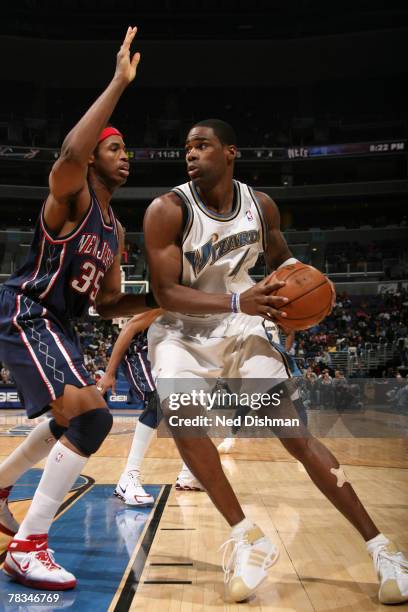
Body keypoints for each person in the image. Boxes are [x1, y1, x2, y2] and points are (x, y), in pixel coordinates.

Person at [143, 118, 408, 604]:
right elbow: (165, 292)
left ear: (231, 152)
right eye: (187, 148)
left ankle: (383, 548)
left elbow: (281, 259)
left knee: (296, 436)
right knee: (183, 416)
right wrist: (238, 303)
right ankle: (247, 536)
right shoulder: (167, 209)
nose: (191, 154)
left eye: (202, 146)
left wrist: (306, 286)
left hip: (245, 326)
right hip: (183, 329)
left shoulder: (260, 206)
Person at [0, 27, 156, 590]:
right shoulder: (74, 193)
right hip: (27, 310)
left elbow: (110, 303)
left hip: (59, 322)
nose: (126, 158)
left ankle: (0, 488)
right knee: (93, 417)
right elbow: (69, 151)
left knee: (72, 415)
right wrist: (118, 81)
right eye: (115, 148)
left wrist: (163, 297)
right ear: (94, 154)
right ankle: (28, 545)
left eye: (126, 152)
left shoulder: (114, 232)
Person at [97, 310, 203, 505]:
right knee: (159, 399)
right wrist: (109, 372)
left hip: (170, 351)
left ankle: (189, 474)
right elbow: (130, 326)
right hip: (140, 350)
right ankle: (129, 476)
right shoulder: (171, 296)